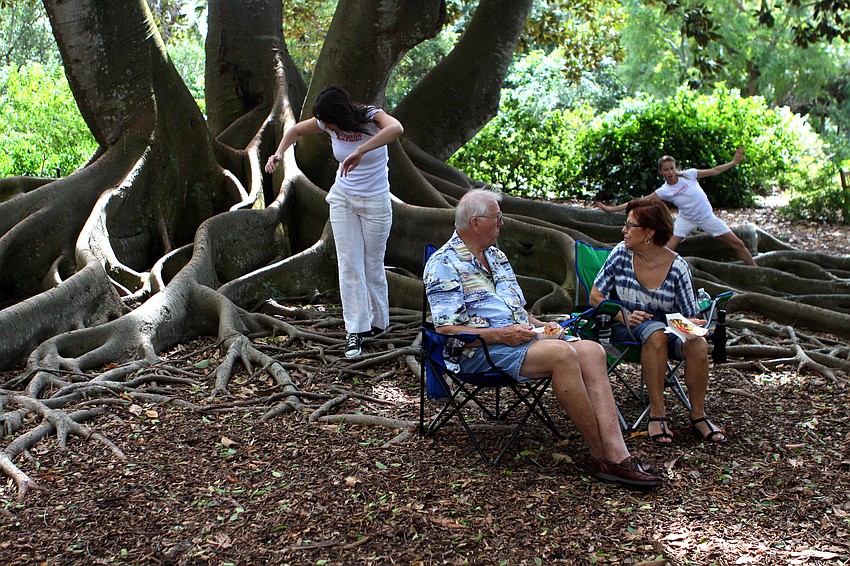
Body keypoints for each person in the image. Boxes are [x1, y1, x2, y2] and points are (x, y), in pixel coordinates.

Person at [424, 189, 663, 488]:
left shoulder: (496, 256)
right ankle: (602, 455)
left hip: (520, 340)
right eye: (497, 218)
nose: (502, 224)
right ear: (475, 223)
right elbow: (448, 331)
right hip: (479, 352)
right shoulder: (443, 263)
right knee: (562, 356)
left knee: (592, 351)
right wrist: (502, 334)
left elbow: (518, 313)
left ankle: (618, 452)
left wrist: (543, 325)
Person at [265, 85, 404, 358]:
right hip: (343, 200)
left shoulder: (371, 117)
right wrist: (279, 153)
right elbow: (294, 131)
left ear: (341, 114)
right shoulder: (326, 124)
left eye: (329, 122)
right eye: (324, 123)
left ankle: (378, 323)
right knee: (349, 263)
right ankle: (355, 330)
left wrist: (361, 150)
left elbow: (396, 128)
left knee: (371, 264)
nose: (326, 126)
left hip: (375, 202)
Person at [590, 197, 728, 447]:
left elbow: (687, 314)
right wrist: (623, 315)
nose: (624, 230)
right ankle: (657, 414)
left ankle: (698, 416)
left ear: (649, 232)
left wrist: (693, 324)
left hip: (669, 327)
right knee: (655, 333)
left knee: (696, 342)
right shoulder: (620, 254)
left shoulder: (677, 267)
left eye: (630, 225)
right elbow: (595, 296)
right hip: (628, 328)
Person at [594, 148, 757, 266]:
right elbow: (639, 201)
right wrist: (610, 209)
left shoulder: (689, 174)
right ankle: (656, 269)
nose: (670, 172)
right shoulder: (664, 191)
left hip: (707, 217)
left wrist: (734, 162)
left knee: (738, 244)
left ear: (675, 167)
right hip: (686, 219)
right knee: (666, 248)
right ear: (661, 172)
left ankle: (754, 269)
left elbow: (714, 171)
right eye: (666, 170)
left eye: (672, 168)